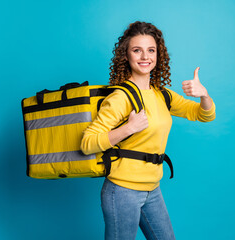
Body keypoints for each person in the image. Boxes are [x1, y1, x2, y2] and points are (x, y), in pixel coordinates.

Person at [80, 21, 216, 240]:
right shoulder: (120, 98)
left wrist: (204, 95)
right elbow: (87, 144)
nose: (145, 56)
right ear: (126, 55)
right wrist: (128, 128)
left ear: (158, 54)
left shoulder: (162, 95)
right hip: (122, 192)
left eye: (151, 50)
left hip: (152, 189)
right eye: (137, 50)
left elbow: (204, 114)